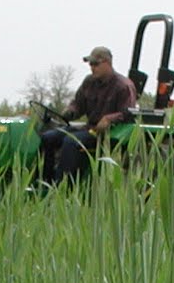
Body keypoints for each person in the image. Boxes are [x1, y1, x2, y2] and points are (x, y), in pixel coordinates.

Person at [40, 45, 137, 183]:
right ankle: (45, 181)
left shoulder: (123, 86)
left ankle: (62, 185)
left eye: (95, 64)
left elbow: (128, 113)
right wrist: (70, 111)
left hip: (109, 134)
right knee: (48, 137)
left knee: (70, 142)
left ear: (107, 63)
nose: (92, 67)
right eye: (90, 64)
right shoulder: (89, 82)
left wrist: (109, 119)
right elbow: (78, 105)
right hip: (89, 128)